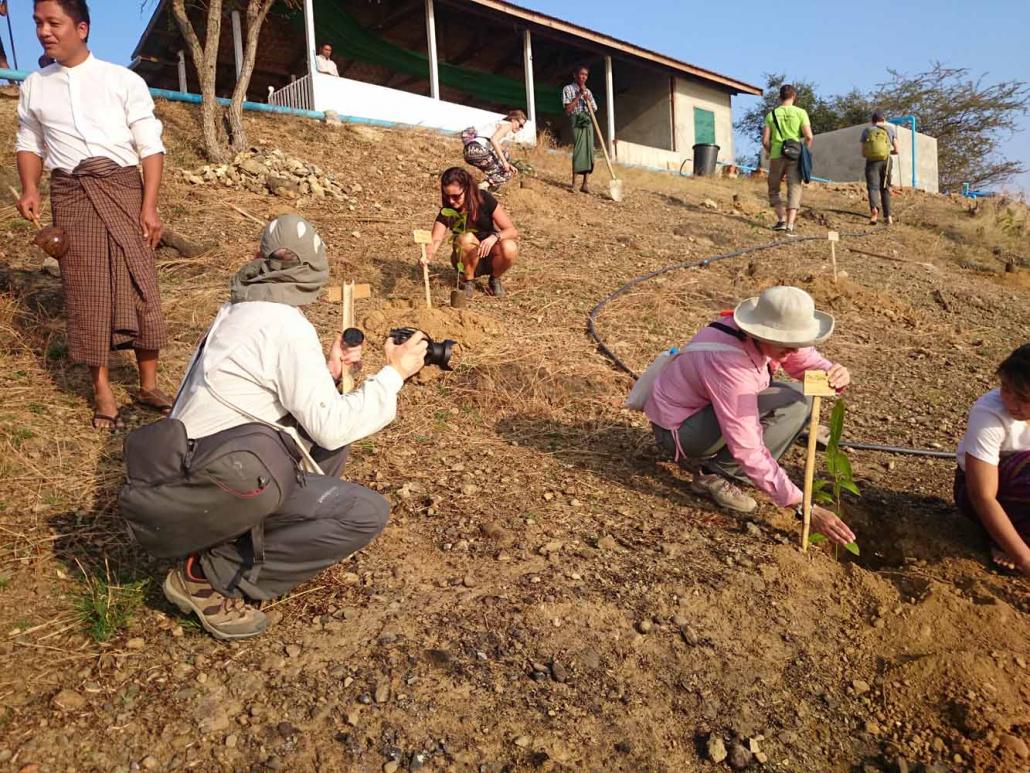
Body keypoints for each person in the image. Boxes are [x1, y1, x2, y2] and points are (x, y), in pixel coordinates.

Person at [159, 215, 429, 639]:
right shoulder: (286, 325)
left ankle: (248, 535)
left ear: (259, 261)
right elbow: (332, 425)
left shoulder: (237, 311)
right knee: (366, 513)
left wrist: (329, 370)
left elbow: (263, 399)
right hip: (218, 480)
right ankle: (209, 575)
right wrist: (394, 373)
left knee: (331, 449)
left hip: (193, 470)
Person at [16, 0, 170, 429]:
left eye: (54, 23)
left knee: (141, 285)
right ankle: (102, 391)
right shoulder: (34, 86)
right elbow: (29, 141)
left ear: (81, 28)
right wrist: (30, 187)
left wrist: (149, 205)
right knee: (86, 293)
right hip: (71, 193)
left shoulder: (123, 80)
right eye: (38, 23)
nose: (44, 31)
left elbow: (150, 146)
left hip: (123, 189)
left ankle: (148, 383)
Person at [644, 286, 856, 545]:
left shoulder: (773, 338)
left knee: (799, 400)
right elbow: (747, 447)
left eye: (798, 342)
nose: (793, 350)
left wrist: (833, 373)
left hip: (711, 408)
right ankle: (714, 475)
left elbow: (805, 363)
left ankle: (768, 436)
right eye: (786, 343)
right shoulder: (729, 364)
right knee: (783, 410)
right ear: (761, 331)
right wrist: (802, 505)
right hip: (680, 431)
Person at [954, 344, 1030, 576]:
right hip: (983, 492)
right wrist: (1025, 561)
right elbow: (982, 495)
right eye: (1006, 389)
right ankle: (1008, 540)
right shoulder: (989, 413)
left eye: (1024, 398)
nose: (1011, 403)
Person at [420, 167, 518, 300]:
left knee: (510, 247)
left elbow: (511, 230)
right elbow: (436, 238)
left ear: (467, 189)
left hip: (490, 255)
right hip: (465, 257)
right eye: (446, 196)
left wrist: (494, 237)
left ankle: (494, 279)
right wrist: (428, 256)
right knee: (466, 237)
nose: (451, 201)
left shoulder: (484, 199)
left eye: (455, 196)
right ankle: (468, 281)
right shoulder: (448, 211)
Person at [762, 84, 813, 236]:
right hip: (795, 155)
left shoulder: (771, 115)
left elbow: (765, 140)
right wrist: (805, 151)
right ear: (794, 96)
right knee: (794, 188)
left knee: (773, 188)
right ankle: (790, 225)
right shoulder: (801, 113)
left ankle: (781, 220)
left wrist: (771, 151)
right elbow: (809, 136)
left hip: (777, 155)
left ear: (780, 97)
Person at [461, 109, 527, 190]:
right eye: (520, 125)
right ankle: (478, 189)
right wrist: (504, 162)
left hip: (469, 151)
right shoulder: (508, 125)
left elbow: (495, 149)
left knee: (504, 159)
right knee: (506, 173)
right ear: (513, 120)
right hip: (478, 151)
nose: (521, 128)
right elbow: (494, 140)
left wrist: (508, 164)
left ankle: (480, 188)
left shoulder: (499, 124)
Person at [860, 111, 900, 225]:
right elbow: (897, 150)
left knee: (873, 188)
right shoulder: (890, 130)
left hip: (871, 162)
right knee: (885, 188)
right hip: (886, 161)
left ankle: (874, 211)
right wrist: (887, 151)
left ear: (872, 121)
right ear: (884, 119)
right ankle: (888, 217)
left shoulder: (867, 131)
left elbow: (863, 153)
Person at [562, 64, 597, 193]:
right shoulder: (568, 89)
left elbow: (594, 109)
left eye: (585, 75)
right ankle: (574, 184)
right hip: (576, 121)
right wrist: (578, 96)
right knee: (579, 150)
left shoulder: (589, 92)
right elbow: (568, 110)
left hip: (587, 121)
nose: (583, 77)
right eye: (581, 74)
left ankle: (585, 184)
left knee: (588, 152)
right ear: (575, 75)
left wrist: (587, 99)